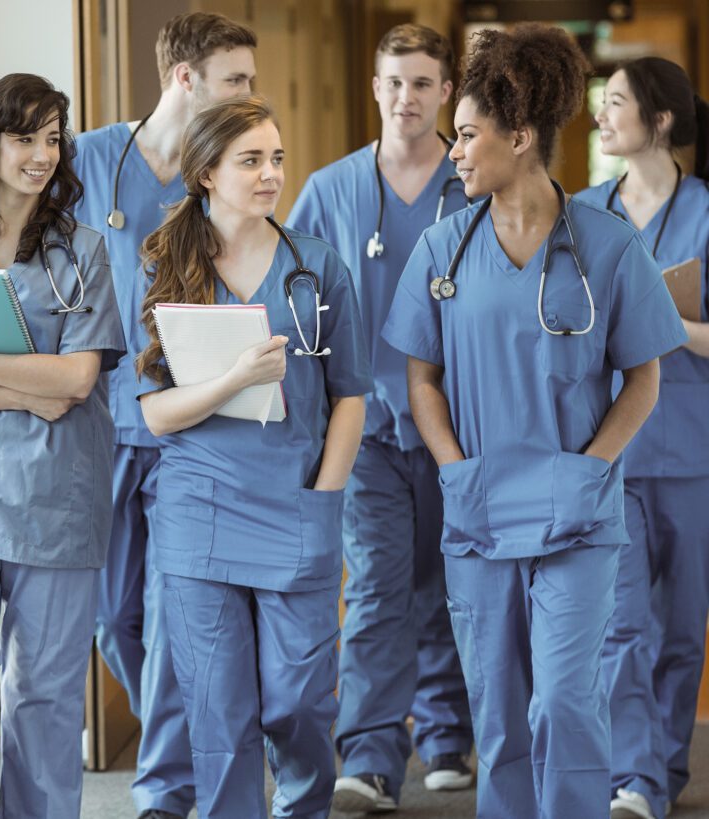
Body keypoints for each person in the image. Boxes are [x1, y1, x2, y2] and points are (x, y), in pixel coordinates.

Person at [382, 25, 688, 819]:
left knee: (564, 702)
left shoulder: (609, 245)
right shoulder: (444, 248)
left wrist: (593, 467)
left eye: (470, 135)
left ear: (520, 139)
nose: (453, 151)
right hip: (480, 506)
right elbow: (421, 377)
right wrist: (454, 468)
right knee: (500, 710)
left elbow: (644, 374)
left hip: (578, 514)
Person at [131, 94, 372, 819]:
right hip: (199, 510)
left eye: (276, 159)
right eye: (251, 160)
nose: (270, 174)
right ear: (206, 172)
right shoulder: (163, 266)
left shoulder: (317, 267)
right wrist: (233, 378)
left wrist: (326, 498)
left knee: (301, 699)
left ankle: (302, 805)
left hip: (297, 503)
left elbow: (351, 396)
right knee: (218, 709)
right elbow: (154, 413)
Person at [72, 13, 257, 818]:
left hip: (187, 423)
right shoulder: (87, 159)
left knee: (175, 601)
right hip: (99, 423)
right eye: (236, 80)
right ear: (185, 78)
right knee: (115, 615)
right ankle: (192, 726)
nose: (251, 95)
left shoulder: (224, 168)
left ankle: (163, 787)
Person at [288, 22, 473, 813]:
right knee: (376, 587)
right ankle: (368, 753)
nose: (407, 98)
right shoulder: (330, 190)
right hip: (364, 428)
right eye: (394, 82)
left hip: (460, 424)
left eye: (423, 83)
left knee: (451, 580)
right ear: (374, 88)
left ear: (447, 92)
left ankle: (445, 733)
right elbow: (292, 290)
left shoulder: (474, 184)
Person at [0, 74, 125, 819]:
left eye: (54, 138)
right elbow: (47, 385)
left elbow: (78, 380)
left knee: (44, 695)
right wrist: (27, 389)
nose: (43, 154)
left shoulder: (82, 252)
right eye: (26, 137)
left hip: (56, 499)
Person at [576, 57, 709, 819]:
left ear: (659, 119)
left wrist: (665, 326)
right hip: (611, 450)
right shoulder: (586, 214)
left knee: (681, 624)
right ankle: (637, 776)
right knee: (621, 622)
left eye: (616, 101)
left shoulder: (706, 213)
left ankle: (661, 764)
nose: (602, 114)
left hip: (691, 450)